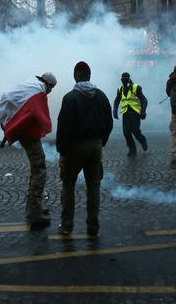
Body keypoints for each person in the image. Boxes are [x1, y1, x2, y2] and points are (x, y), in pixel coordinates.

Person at [0, 73, 56, 227]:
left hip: (23, 129)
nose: (51, 91)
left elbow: (7, 98)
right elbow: (37, 113)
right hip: (27, 133)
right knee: (39, 169)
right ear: (47, 84)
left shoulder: (29, 84)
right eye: (51, 88)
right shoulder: (38, 91)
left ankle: (33, 207)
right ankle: (34, 212)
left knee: (36, 169)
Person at [56, 62, 113, 237]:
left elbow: (64, 127)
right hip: (95, 145)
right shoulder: (101, 96)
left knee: (68, 185)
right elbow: (109, 122)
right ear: (89, 76)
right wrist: (101, 141)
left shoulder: (70, 98)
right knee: (93, 187)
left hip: (76, 147)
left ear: (76, 76)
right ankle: (93, 226)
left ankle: (67, 226)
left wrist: (62, 151)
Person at [113, 72, 148, 157]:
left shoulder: (136, 87)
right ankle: (132, 150)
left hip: (135, 113)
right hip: (125, 113)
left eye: (125, 77)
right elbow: (117, 100)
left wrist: (143, 111)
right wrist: (114, 110)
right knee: (126, 132)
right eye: (122, 78)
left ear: (129, 78)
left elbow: (144, 100)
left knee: (135, 131)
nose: (123, 79)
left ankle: (143, 141)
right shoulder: (120, 89)